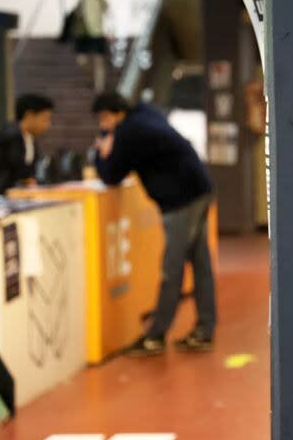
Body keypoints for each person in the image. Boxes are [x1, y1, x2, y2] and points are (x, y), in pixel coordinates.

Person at [91, 92, 216, 357]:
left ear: (113, 113)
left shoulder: (128, 133)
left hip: (180, 200)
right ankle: (205, 330)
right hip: (199, 188)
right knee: (200, 261)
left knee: (172, 266)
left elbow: (111, 175)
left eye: (103, 118)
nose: (102, 125)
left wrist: (101, 153)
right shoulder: (146, 113)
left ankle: (156, 336)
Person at [0, 94, 53, 200]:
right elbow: (18, 167)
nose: (48, 125)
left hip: (7, 196)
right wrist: (28, 180)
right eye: (45, 119)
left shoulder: (29, 138)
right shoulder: (10, 135)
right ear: (29, 115)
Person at [75, 0, 109, 92]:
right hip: (85, 34)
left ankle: (99, 87)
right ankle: (92, 78)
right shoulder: (81, 1)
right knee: (82, 61)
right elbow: (77, 17)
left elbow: (109, 16)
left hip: (98, 33)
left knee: (99, 61)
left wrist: (110, 32)